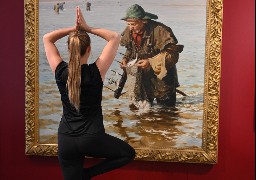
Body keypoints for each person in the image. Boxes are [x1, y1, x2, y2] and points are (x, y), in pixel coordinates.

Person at [43, 6, 135, 180]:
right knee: (127, 153)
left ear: (69, 50)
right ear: (89, 49)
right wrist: (86, 28)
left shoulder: (60, 71)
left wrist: (73, 29)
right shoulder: (96, 72)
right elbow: (115, 37)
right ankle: (88, 175)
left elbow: (47, 38)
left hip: (66, 139)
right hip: (92, 138)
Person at [117, 4, 184, 109]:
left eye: (133, 24)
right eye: (128, 24)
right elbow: (130, 49)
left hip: (163, 77)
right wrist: (125, 59)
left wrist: (151, 62)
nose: (130, 28)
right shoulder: (130, 31)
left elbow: (173, 54)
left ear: (143, 21)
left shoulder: (160, 30)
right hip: (143, 77)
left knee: (166, 113)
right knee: (143, 111)